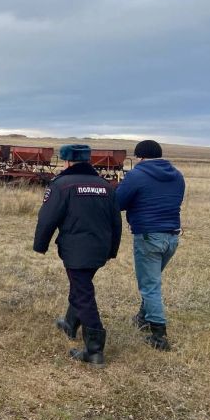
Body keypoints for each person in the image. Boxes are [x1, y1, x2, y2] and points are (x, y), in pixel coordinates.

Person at [33, 144, 122, 367]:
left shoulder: (62, 185)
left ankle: (94, 349)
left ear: (68, 162)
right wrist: (112, 249)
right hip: (99, 248)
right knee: (80, 283)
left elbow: (47, 218)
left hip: (75, 248)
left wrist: (40, 245)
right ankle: (70, 323)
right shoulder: (105, 186)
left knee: (83, 291)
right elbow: (116, 221)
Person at [116, 140, 185, 351]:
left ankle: (159, 334)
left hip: (148, 236)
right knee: (152, 281)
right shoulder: (177, 175)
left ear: (140, 157)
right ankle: (143, 318)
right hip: (172, 236)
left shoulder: (137, 175)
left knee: (150, 286)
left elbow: (117, 203)